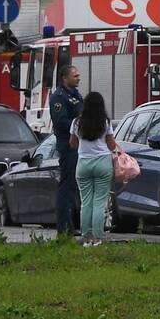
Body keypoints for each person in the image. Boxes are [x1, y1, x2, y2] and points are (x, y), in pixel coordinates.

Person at [69, 90, 118, 247]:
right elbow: (111, 144)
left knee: (86, 202)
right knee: (99, 202)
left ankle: (86, 237)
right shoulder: (105, 122)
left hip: (83, 164)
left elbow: (72, 143)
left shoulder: (77, 123)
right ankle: (97, 237)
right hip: (103, 163)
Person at [49, 64, 83, 236]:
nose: (78, 78)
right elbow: (62, 122)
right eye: (75, 75)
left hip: (80, 145)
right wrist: (81, 125)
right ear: (65, 78)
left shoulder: (75, 95)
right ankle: (64, 228)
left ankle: (72, 225)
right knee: (67, 185)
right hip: (68, 146)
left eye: (78, 75)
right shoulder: (59, 97)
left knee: (74, 187)